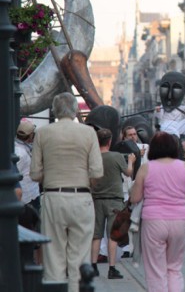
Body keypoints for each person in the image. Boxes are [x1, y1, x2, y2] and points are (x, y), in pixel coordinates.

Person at [30, 92, 103, 292]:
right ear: (76, 110)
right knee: (79, 258)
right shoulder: (88, 133)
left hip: (53, 196)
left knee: (54, 257)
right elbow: (97, 171)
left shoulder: (43, 133)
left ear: (54, 110)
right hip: (81, 197)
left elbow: (35, 173)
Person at [129, 131, 185, 291]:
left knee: (155, 270)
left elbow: (135, 198)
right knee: (174, 267)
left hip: (153, 221)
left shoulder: (146, 168)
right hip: (179, 220)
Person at [90, 129, 135, 279]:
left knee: (96, 235)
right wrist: (131, 161)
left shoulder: (93, 157)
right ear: (109, 141)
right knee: (112, 235)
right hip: (114, 200)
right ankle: (112, 268)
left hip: (96, 199)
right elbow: (128, 173)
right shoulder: (116, 156)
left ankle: (93, 267)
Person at [15, 120, 40, 218]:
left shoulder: (22, 147)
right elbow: (16, 175)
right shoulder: (20, 152)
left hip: (30, 195)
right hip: (27, 199)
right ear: (30, 136)